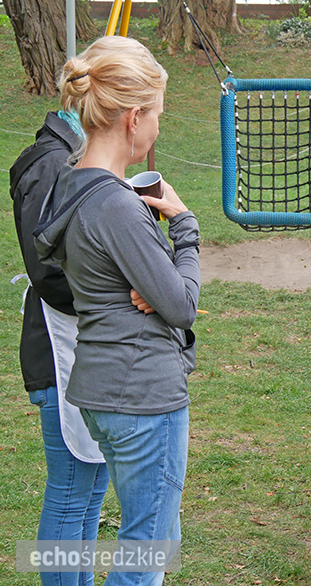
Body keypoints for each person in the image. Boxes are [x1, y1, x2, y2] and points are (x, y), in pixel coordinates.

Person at [34, 36, 200, 586]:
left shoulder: (70, 182)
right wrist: (184, 228)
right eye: (156, 115)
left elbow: (123, 281)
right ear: (133, 119)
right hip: (142, 394)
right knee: (148, 549)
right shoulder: (117, 204)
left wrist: (148, 280)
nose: (157, 127)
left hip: (101, 388)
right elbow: (180, 305)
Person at [11, 108, 110, 586]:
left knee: (91, 490)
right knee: (71, 491)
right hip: (59, 350)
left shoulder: (71, 154)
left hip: (87, 350)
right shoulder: (50, 163)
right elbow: (50, 274)